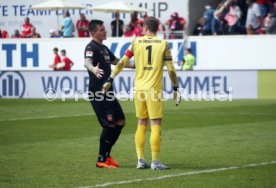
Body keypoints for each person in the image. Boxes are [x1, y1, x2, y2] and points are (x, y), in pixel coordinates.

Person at [102, 17, 180, 170]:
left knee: (141, 122)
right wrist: (175, 88)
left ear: (145, 28)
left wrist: (110, 78)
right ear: (156, 28)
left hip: (139, 89)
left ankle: (140, 160)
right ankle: (156, 162)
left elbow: (122, 62)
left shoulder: (136, 42)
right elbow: (171, 69)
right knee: (156, 123)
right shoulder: (163, 44)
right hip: (154, 89)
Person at [84, 20, 134, 168]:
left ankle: (107, 156)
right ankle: (101, 159)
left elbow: (117, 62)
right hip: (98, 93)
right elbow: (87, 62)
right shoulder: (91, 47)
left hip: (108, 93)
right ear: (93, 33)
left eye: (104, 29)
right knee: (109, 125)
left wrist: (137, 65)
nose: (105, 31)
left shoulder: (104, 48)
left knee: (120, 122)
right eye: (101, 30)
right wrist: (93, 69)